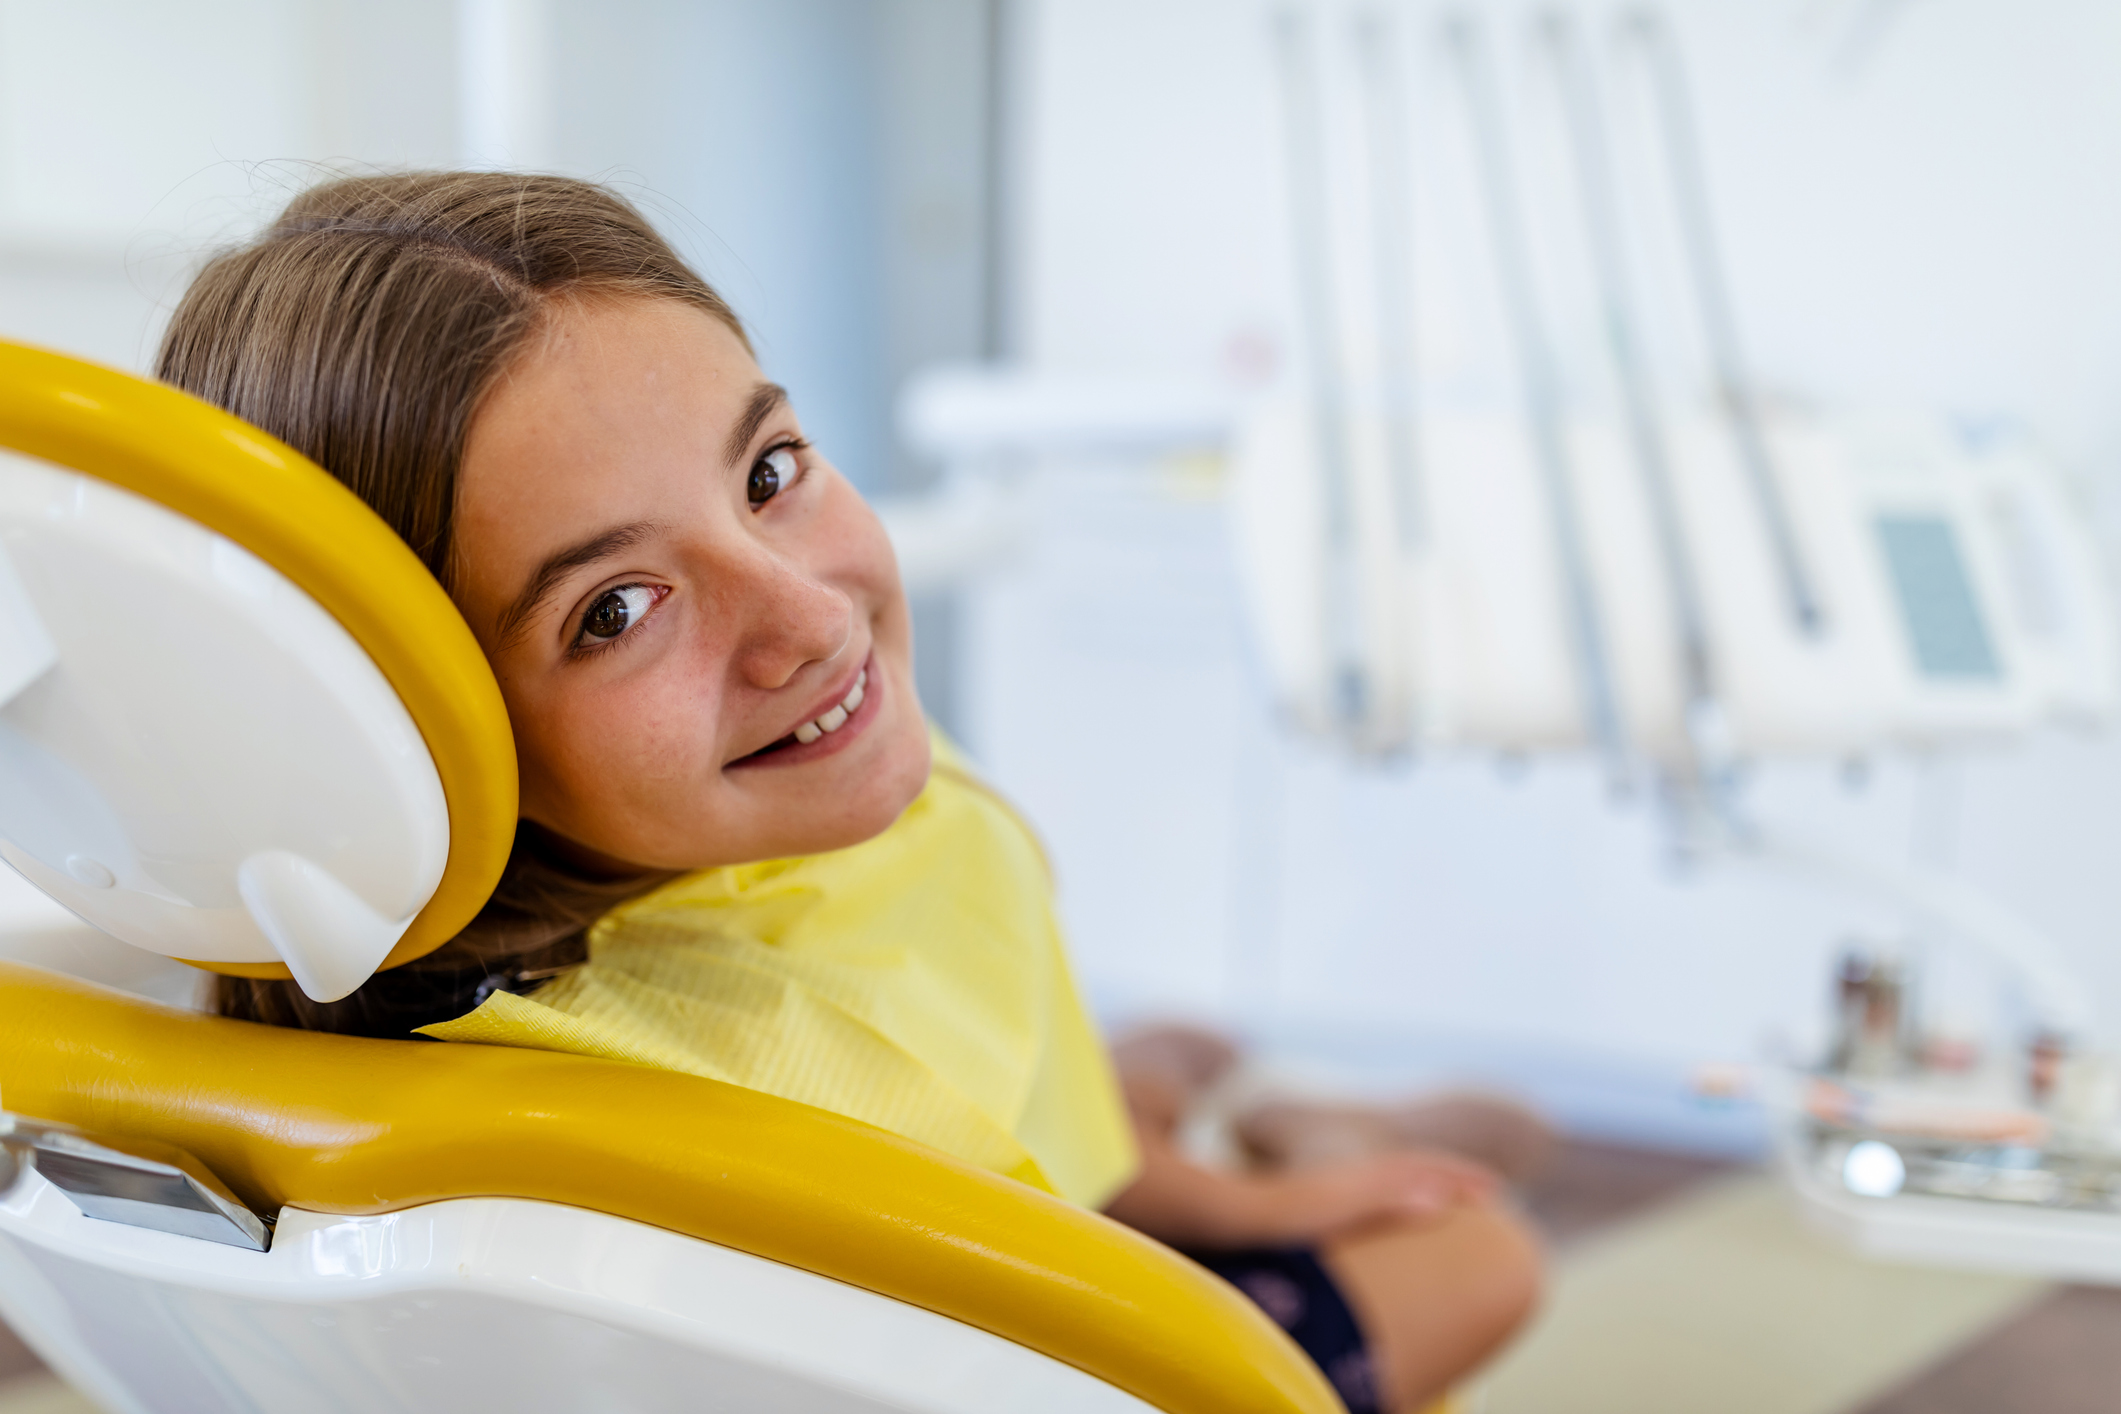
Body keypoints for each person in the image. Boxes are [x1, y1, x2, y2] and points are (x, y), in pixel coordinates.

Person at [158, 171, 1539, 1413]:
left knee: (1156, 1052)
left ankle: (1213, 1107)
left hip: (1050, 1195)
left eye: (768, 473)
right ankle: (1279, 1111)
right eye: (616, 608)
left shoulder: (775, 843)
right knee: (1480, 1252)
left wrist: (1233, 1198)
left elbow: (1015, 1108)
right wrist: (1256, 1220)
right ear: (395, 727)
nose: (808, 617)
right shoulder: (638, 1119)